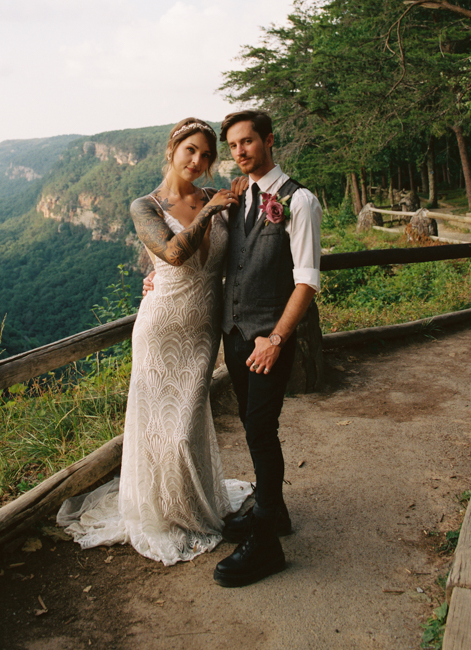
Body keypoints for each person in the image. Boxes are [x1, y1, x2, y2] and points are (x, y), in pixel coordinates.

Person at [57, 118, 252, 565]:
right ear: (173, 149)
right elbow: (172, 254)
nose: (199, 161)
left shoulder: (218, 197)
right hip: (161, 325)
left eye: (206, 154)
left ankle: (190, 500)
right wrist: (207, 213)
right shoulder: (144, 204)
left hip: (203, 326)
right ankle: (163, 510)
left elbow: (237, 252)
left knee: (185, 425)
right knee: (159, 426)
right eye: (191, 151)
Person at [143, 110, 323, 587]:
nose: (240, 151)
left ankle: (266, 546)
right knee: (252, 424)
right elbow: (212, 259)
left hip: (268, 338)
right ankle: (275, 512)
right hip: (233, 334)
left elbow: (306, 281)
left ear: (268, 140)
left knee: (261, 430)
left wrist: (278, 338)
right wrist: (158, 276)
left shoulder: (299, 201)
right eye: (234, 145)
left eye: (248, 142)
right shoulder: (239, 198)